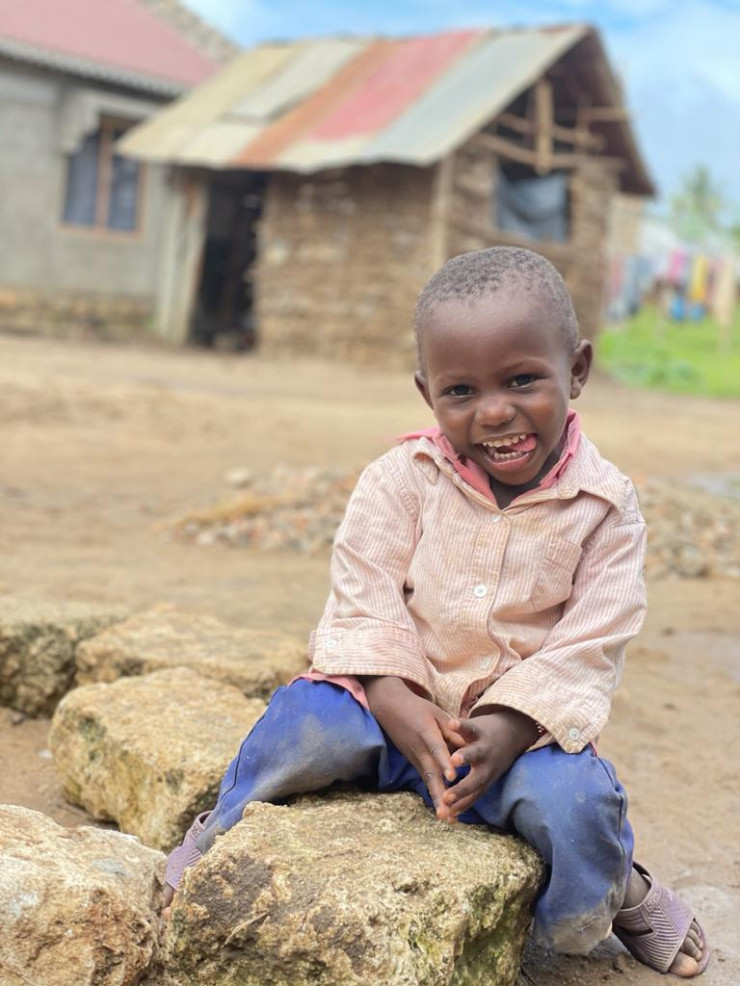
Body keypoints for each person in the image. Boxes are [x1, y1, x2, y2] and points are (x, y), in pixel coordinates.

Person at [164, 247, 708, 978]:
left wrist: (511, 726)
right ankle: (218, 834)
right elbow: (362, 590)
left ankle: (617, 896)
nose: (494, 411)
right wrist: (391, 693)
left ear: (577, 370)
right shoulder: (400, 480)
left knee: (578, 807)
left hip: (518, 748)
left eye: (522, 380)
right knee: (298, 725)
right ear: (427, 393)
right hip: (383, 717)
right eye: (460, 390)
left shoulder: (605, 506)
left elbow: (593, 640)